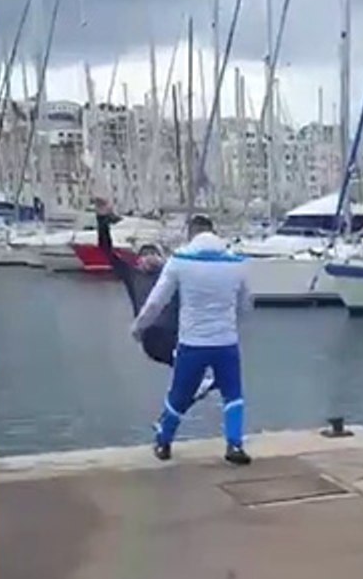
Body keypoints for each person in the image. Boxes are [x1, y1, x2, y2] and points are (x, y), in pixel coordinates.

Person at [131, 214, 253, 465]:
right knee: (233, 394)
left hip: (192, 343)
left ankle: (164, 443)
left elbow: (156, 302)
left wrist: (139, 327)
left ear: (192, 233)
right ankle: (235, 445)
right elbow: (246, 305)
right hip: (225, 342)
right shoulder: (236, 263)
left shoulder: (180, 262)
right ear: (214, 232)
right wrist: (231, 323)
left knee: (179, 394)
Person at [94, 199, 215, 400]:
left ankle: (188, 390)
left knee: (203, 358)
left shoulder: (173, 272)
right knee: (174, 348)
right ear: (137, 260)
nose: (149, 259)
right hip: (152, 337)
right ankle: (191, 377)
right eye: (144, 255)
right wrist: (102, 219)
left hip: (179, 335)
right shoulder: (132, 275)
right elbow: (106, 250)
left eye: (153, 255)